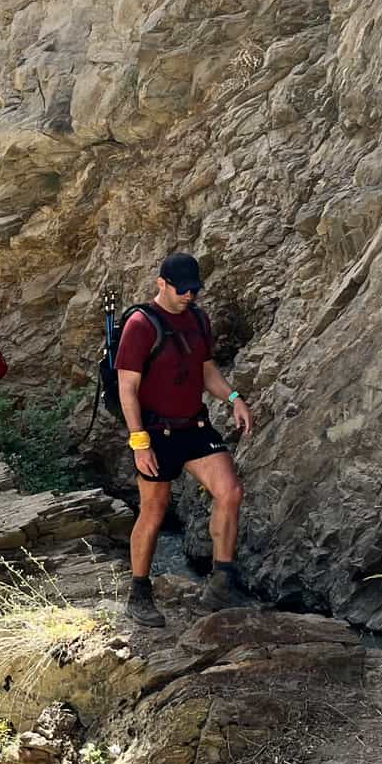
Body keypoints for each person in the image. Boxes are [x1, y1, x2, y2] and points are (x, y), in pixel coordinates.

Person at [115, 252, 253, 625]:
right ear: (162, 283)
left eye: (195, 289)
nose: (189, 295)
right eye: (183, 289)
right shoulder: (141, 325)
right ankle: (139, 592)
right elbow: (127, 387)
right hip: (155, 432)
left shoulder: (198, 318)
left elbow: (206, 369)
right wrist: (139, 442)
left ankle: (221, 583)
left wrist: (234, 398)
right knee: (155, 509)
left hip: (193, 426)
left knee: (231, 491)